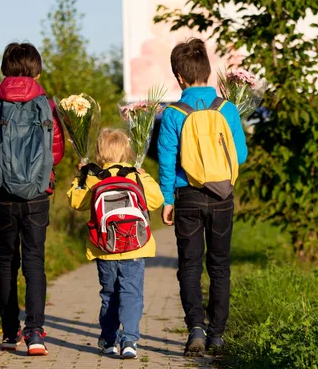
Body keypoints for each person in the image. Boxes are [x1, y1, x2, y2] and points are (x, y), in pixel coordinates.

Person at [0, 42, 65, 355]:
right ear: (36, 69)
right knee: (35, 263)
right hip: (37, 194)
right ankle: (35, 333)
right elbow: (57, 152)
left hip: (2, 194)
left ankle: (10, 332)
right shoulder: (46, 104)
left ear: (4, 69)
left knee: (7, 262)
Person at [157, 38, 248, 357]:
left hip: (188, 197)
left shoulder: (172, 114)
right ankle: (218, 336)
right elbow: (241, 154)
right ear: (208, 72)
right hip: (222, 196)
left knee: (190, 266)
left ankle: (195, 330)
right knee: (220, 266)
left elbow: (167, 160)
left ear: (180, 77)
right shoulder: (228, 109)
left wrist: (167, 199)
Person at [67, 129, 163, 359]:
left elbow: (76, 202)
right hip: (135, 246)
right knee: (132, 292)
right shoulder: (135, 176)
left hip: (105, 248)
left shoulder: (94, 177)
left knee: (109, 294)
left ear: (99, 154)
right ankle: (129, 340)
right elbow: (156, 201)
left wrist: (79, 177)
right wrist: (145, 175)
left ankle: (109, 340)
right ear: (127, 152)